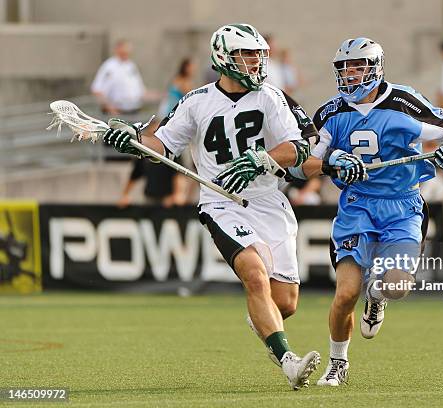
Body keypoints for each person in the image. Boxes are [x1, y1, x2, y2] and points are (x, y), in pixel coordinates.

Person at [101, 23, 320, 390]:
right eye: (246, 54)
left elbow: (299, 148)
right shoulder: (197, 100)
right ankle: (289, 362)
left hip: (268, 200)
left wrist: (262, 159)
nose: (255, 62)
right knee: (254, 274)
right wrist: (134, 142)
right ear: (223, 57)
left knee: (285, 303)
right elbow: (163, 147)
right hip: (221, 202)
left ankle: (263, 320)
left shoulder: (270, 96)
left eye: (258, 54)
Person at [287, 38, 443, 386]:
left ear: (375, 67)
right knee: (344, 294)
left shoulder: (403, 101)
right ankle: (338, 363)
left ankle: (378, 296)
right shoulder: (331, 112)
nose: (350, 75)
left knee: (398, 286)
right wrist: (330, 161)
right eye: (345, 68)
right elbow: (303, 163)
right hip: (357, 206)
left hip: (402, 206)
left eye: (358, 66)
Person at [91, 39, 146, 116]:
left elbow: (140, 90)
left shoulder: (131, 65)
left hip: (133, 110)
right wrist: (110, 108)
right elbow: (97, 90)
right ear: (117, 50)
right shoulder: (109, 66)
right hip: (116, 111)